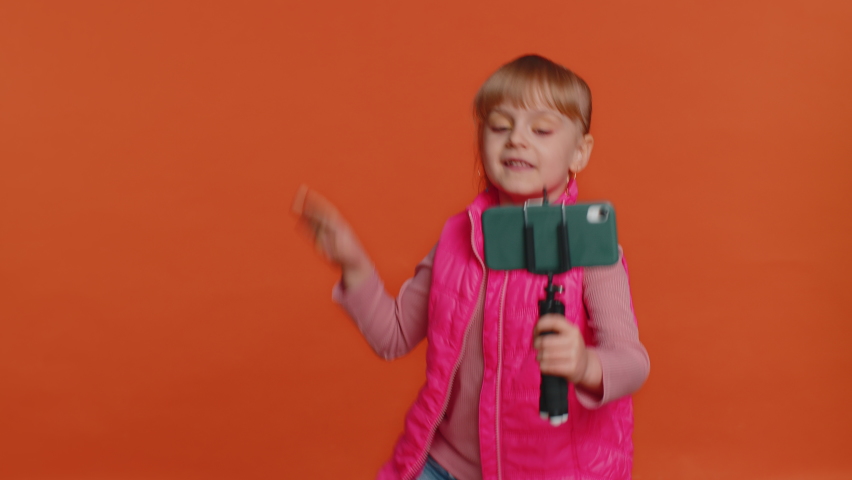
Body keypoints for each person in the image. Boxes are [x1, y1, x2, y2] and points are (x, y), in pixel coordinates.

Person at [295, 54, 650, 480]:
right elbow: (392, 336)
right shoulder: (456, 240)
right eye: (500, 125)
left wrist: (585, 366)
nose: (517, 139)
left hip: (551, 471)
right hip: (446, 466)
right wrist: (353, 262)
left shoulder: (591, 250)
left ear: (579, 152)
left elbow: (631, 361)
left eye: (540, 129)